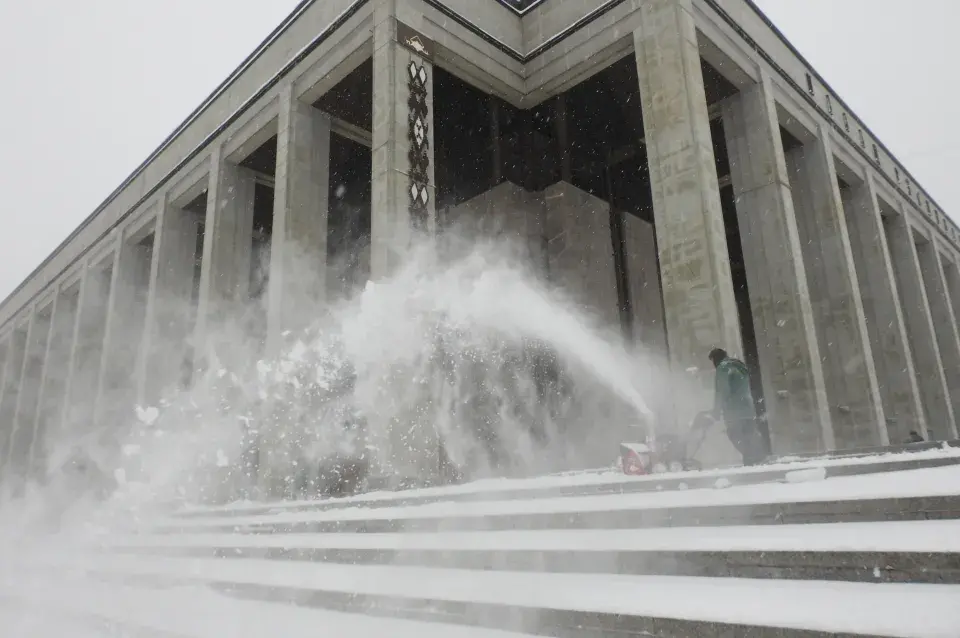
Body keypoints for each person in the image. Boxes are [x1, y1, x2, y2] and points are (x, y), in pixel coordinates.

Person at [708, 348, 765, 466]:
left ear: (715, 359)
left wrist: (716, 412)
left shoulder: (722, 368)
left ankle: (751, 458)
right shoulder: (739, 366)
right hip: (748, 408)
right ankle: (756, 459)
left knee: (735, 435)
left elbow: (722, 391)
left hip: (734, 410)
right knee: (749, 435)